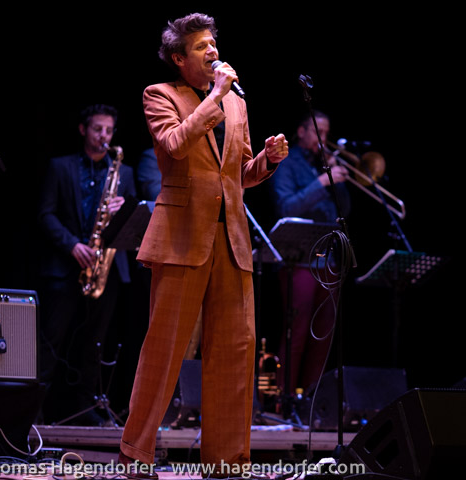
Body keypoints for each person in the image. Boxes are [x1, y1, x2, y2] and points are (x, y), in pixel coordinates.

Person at [118, 13, 288, 478]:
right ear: (179, 58)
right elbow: (174, 144)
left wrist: (267, 160)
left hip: (231, 241)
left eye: (213, 43)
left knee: (235, 351)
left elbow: (239, 175)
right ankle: (135, 455)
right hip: (180, 238)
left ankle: (227, 463)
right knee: (164, 351)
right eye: (201, 46)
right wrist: (215, 97)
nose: (213, 51)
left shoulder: (236, 104)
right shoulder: (160, 95)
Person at [37, 104, 136, 426]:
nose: (104, 136)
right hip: (65, 266)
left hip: (105, 269)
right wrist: (72, 245)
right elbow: (45, 214)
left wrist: (124, 208)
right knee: (50, 340)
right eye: (97, 129)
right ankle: (34, 409)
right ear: (83, 130)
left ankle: (85, 407)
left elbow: (135, 222)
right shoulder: (60, 167)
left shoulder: (124, 172)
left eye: (109, 130)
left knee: (95, 342)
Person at [268, 111, 351, 396]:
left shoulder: (323, 163)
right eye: (318, 131)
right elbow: (286, 207)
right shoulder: (288, 162)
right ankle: (284, 398)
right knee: (298, 330)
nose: (323, 138)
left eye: (326, 133)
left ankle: (311, 400)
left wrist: (337, 180)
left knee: (324, 334)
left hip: (328, 258)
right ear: (302, 131)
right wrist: (321, 183)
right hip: (299, 260)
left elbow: (344, 211)